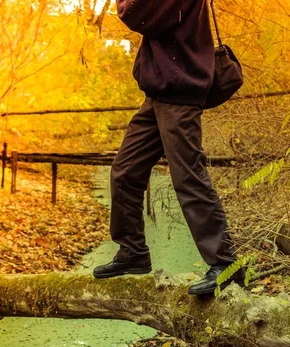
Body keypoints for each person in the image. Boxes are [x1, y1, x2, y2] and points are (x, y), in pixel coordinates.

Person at [92, 0, 244, 295]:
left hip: (180, 95)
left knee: (189, 179)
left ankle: (226, 264)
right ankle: (133, 252)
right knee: (125, 171)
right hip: (159, 93)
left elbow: (135, 14)